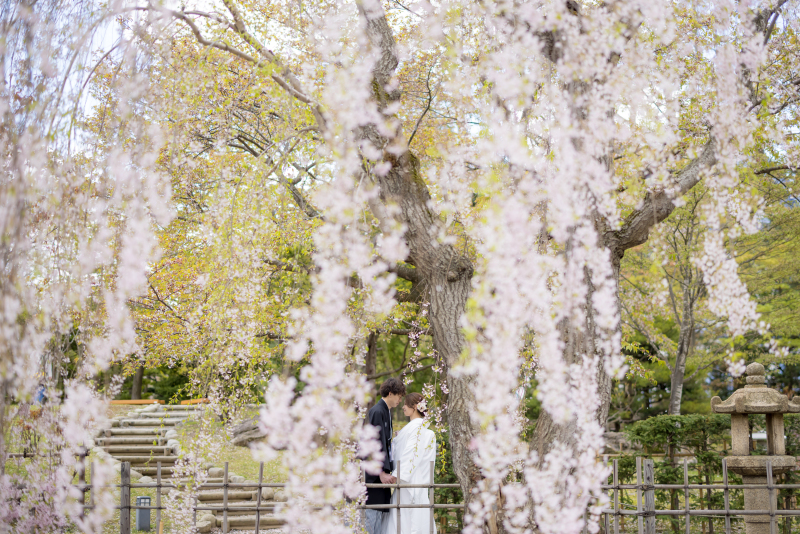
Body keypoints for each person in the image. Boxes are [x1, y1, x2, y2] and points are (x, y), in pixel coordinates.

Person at [383, 392, 437, 534]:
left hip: (410, 479)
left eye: (406, 404)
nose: (403, 407)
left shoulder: (418, 428)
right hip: (408, 478)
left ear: (414, 407)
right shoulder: (416, 428)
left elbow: (412, 453)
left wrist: (397, 474)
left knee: (407, 521)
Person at [364, 377, 406, 534]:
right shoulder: (377, 411)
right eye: (399, 396)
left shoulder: (385, 412)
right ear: (390, 393)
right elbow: (373, 443)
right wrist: (381, 471)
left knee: (379, 520)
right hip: (374, 475)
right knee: (371, 521)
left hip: (381, 474)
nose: (400, 400)